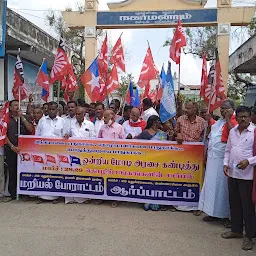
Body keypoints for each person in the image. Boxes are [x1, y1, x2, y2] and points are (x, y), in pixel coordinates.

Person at [222, 106, 256, 251]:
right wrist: (225, 164)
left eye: (246, 116)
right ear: (236, 116)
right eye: (240, 116)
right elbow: (228, 150)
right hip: (233, 173)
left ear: (250, 117)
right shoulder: (232, 131)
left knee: (247, 206)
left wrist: (249, 161)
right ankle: (236, 230)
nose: (243, 119)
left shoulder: (254, 132)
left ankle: (249, 236)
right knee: (234, 202)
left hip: (247, 176)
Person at [198, 100, 237, 226]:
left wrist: (228, 119)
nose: (223, 111)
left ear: (232, 109)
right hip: (213, 159)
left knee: (224, 188)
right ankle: (213, 212)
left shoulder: (236, 121)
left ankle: (226, 216)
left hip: (225, 160)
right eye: (221, 108)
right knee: (212, 187)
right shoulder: (218, 122)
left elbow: (234, 135)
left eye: (226, 108)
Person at [175, 101, 206, 212]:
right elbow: (175, 132)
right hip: (182, 154)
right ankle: (180, 203)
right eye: (185, 108)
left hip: (196, 155)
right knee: (182, 177)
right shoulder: (180, 119)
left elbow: (205, 137)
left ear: (194, 109)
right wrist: (177, 134)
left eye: (188, 108)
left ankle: (196, 205)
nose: (186, 110)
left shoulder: (202, 122)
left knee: (195, 178)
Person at [64, 107, 96, 204]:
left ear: (84, 114)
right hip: (72, 154)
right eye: (76, 114)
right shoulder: (70, 124)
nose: (77, 116)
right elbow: (66, 135)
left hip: (85, 154)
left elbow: (94, 138)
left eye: (79, 114)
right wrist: (66, 136)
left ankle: (84, 198)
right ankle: (71, 198)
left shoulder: (90, 124)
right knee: (72, 175)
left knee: (84, 176)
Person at [36, 101, 65, 204]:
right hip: (43, 152)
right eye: (50, 109)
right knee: (43, 172)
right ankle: (42, 196)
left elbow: (65, 136)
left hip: (57, 152)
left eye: (53, 109)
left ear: (57, 110)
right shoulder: (42, 121)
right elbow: (37, 136)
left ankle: (55, 196)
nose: (51, 111)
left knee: (55, 173)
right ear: (47, 110)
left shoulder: (62, 121)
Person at [5, 100, 33, 202]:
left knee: (24, 171)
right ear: (11, 108)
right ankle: (13, 193)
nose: (17, 107)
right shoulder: (7, 119)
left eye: (18, 105)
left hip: (24, 150)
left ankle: (24, 192)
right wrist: (11, 146)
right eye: (15, 105)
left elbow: (30, 129)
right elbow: (4, 134)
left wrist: (22, 117)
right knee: (12, 171)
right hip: (11, 148)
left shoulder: (25, 117)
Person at [137, 115, 168, 210]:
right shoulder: (144, 134)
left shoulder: (162, 134)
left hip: (160, 163)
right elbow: (140, 149)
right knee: (148, 183)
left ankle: (158, 203)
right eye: (159, 121)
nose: (160, 123)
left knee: (159, 183)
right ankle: (147, 203)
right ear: (154, 123)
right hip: (148, 163)